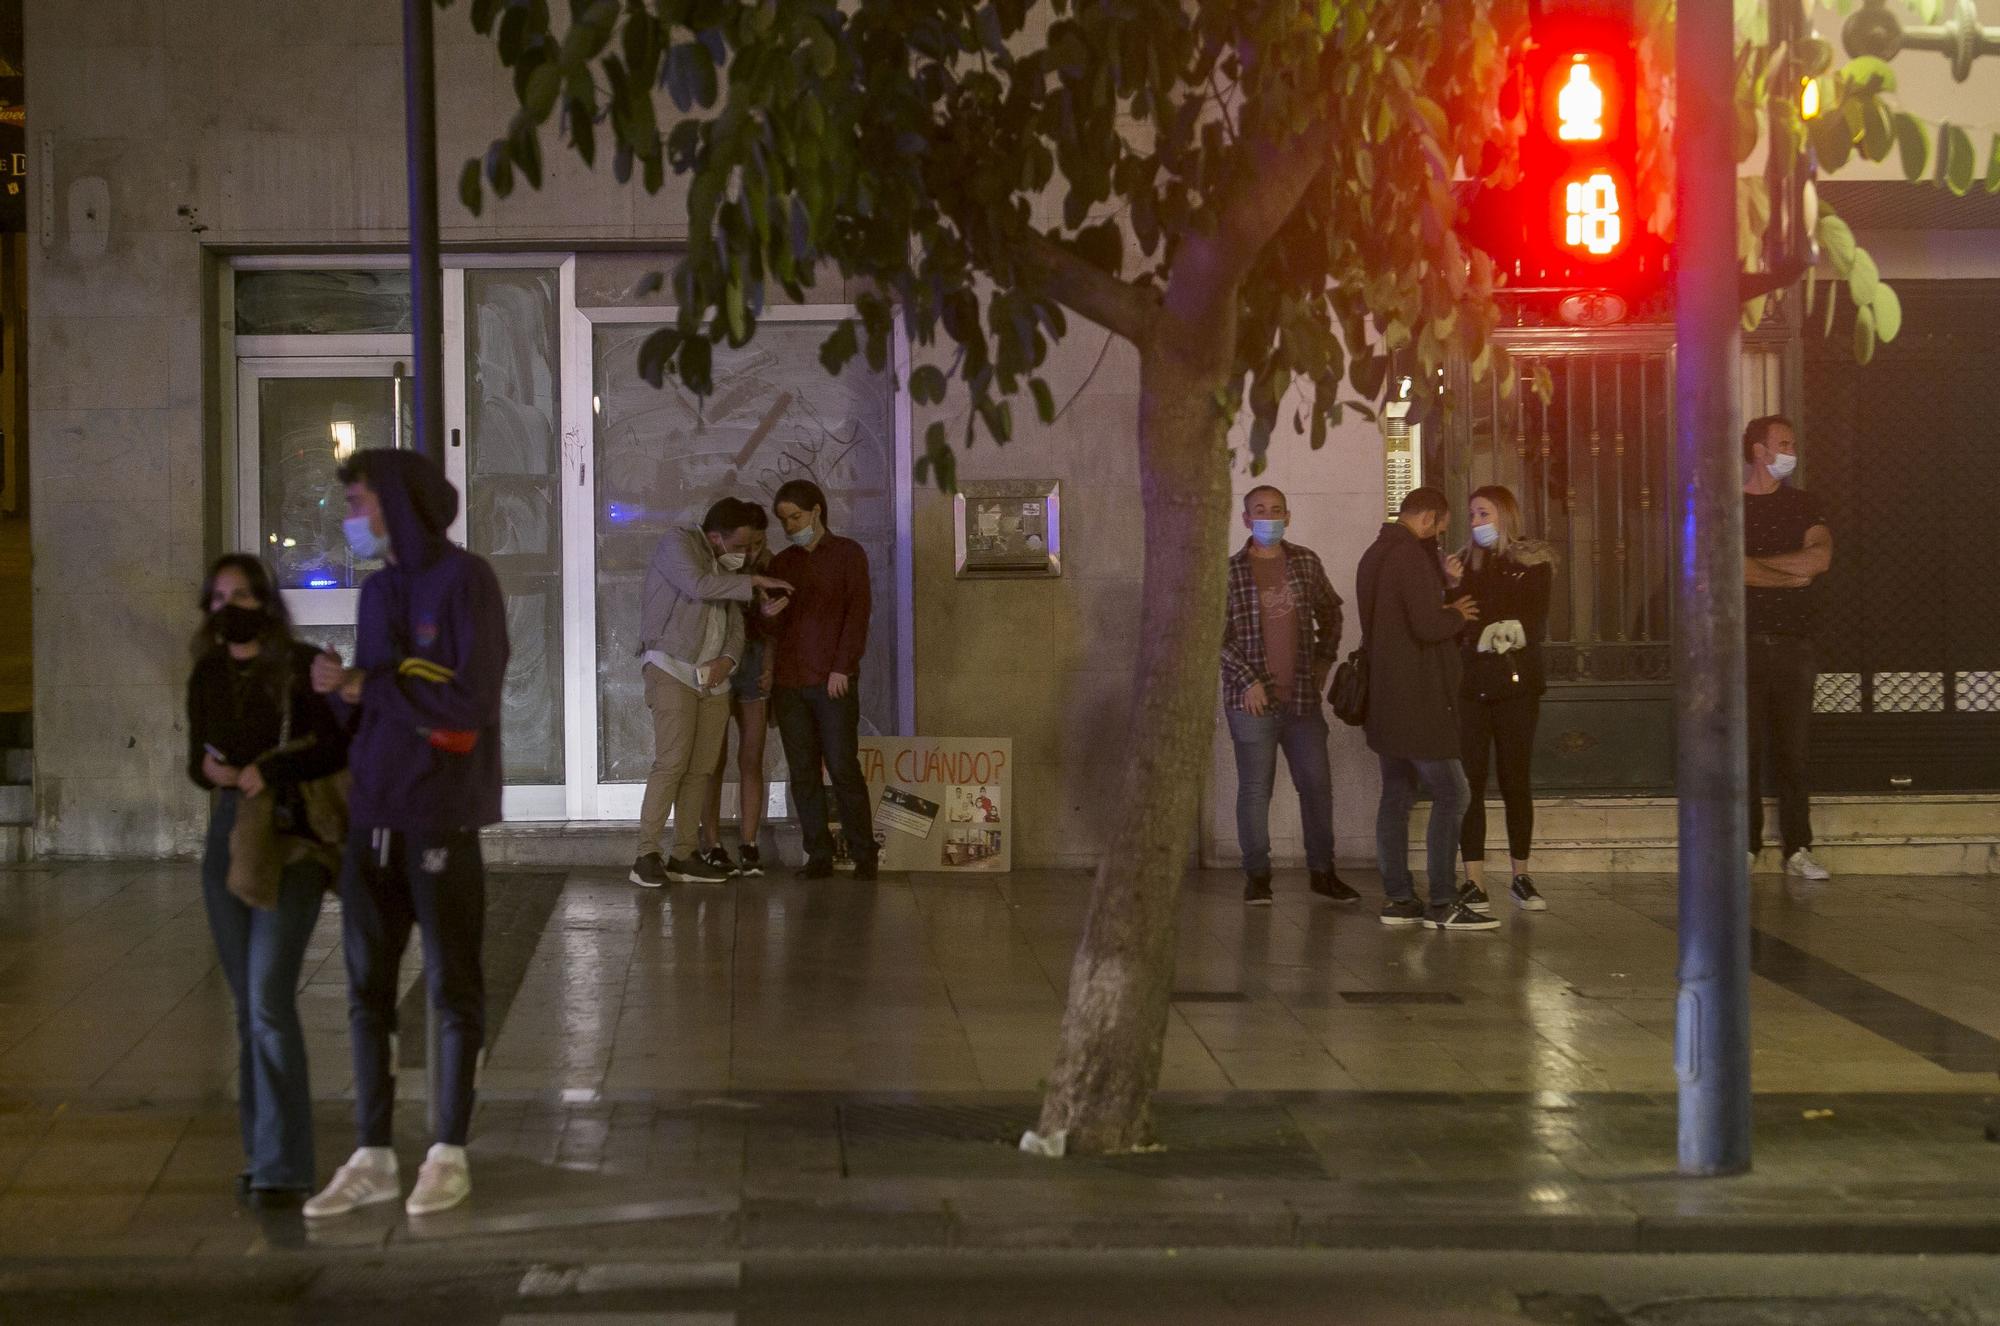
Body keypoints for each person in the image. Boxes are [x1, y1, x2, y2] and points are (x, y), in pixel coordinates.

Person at [303, 449, 509, 1220]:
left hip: (440, 817)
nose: (351, 517)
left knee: (453, 987)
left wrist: (369, 687)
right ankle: (373, 1154)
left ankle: (447, 1153)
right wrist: (338, 695)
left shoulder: (467, 582)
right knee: (365, 993)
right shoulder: (379, 590)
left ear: (395, 502)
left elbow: (468, 702)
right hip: (374, 817)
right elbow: (380, 701)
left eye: (359, 501)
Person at [186, 555, 349, 1210]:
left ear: (265, 603)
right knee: (248, 1009)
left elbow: (333, 746)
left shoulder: (299, 664)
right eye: (221, 596)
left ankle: (285, 1163)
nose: (233, 606)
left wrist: (268, 772)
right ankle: (263, 1155)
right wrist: (220, 775)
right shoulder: (208, 673)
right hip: (228, 837)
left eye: (244, 595)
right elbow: (198, 761)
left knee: (267, 999)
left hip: (289, 841)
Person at [631, 497, 792, 888]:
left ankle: (684, 853)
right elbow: (698, 585)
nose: (744, 554)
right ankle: (646, 854)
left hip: (714, 678)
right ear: (716, 537)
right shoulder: (679, 543)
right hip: (671, 666)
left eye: (750, 547)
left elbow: (735, 627)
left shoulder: (727, 571)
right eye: (738, 546)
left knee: (701, 768)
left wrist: (729, 662)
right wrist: (754, 580)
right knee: (672, 761)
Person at [1355, 487, 1493, 931]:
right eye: (1441, 526)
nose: (1440, 536)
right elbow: (1427, 624)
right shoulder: (1409, 557)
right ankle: (1443, 900)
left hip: (1386, 700)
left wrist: (1443, 592)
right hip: (1419, 700)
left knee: (1396, 795)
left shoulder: (1373, 554)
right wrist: (1456, 612)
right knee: (1454, 793)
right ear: (1429, 518)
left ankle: (1399, 898)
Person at [1220, 485, 1357, 906]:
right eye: (1259, 510)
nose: (1268, 517)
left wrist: (1323, 659)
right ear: (1245, 519)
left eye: (1276, 510)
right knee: (1255, 789)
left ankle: (1322, 871)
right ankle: (1257, 876)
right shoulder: (1228, 571)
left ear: (1289, 516)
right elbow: (1213, 635)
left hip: (1301, 700)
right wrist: (1248, 680)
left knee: (1316, 786)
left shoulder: (1305, 563)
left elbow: (1331, 610)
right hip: (1251, 703)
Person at [764, 479, 878, 882]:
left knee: (843, 766)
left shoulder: (847, 554)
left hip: (832, 679)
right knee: (803, 771)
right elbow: (767, 625)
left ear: (816, 511)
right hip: (791, 682)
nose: (791, 526)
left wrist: (842, 667)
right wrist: (769, 614)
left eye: (796, 516)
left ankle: (864, 851)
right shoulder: (783, 563)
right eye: (784, 520)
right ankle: (818, 854)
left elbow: (857, 613)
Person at [1450, 485, 1554, 914]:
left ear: (1505, 515)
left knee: (1516, 780)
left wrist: (1495, 625)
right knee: (1470, 784)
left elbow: (1532, 619)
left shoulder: (1533, 562)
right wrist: (1452, 586)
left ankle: (1520, 875)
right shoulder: (1462, 565)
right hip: (1471, 687)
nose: (1476, 523)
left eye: (1484, 513)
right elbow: (1459, 620)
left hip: (1516, 686)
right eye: (1472, 515)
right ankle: (1473, 879)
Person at [1742, 414, 1834, 880]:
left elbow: (1819, 558)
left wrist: (1761, 568)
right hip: (1747, 646)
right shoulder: (1732, 506)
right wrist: (1788, 574)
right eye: (1783, 443)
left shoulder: (1803, 504)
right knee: (1747, 749)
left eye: (1793, 443)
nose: (1790, 452)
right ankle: (1747, 845)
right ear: (1758, 450)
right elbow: (1731, 570)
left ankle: (1798, 847)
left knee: (1794, 751)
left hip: (1796, 646)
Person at [696, 503, 778, 879]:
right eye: (746, 543)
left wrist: (769, 665)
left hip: (754, 660)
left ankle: (749, 842)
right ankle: (710, 842)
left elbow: (776, 626)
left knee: (751, 756)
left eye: (758, 543)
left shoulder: (769, 566)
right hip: (717, 660)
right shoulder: (715, 563)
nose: (751, 552)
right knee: (712, 758)